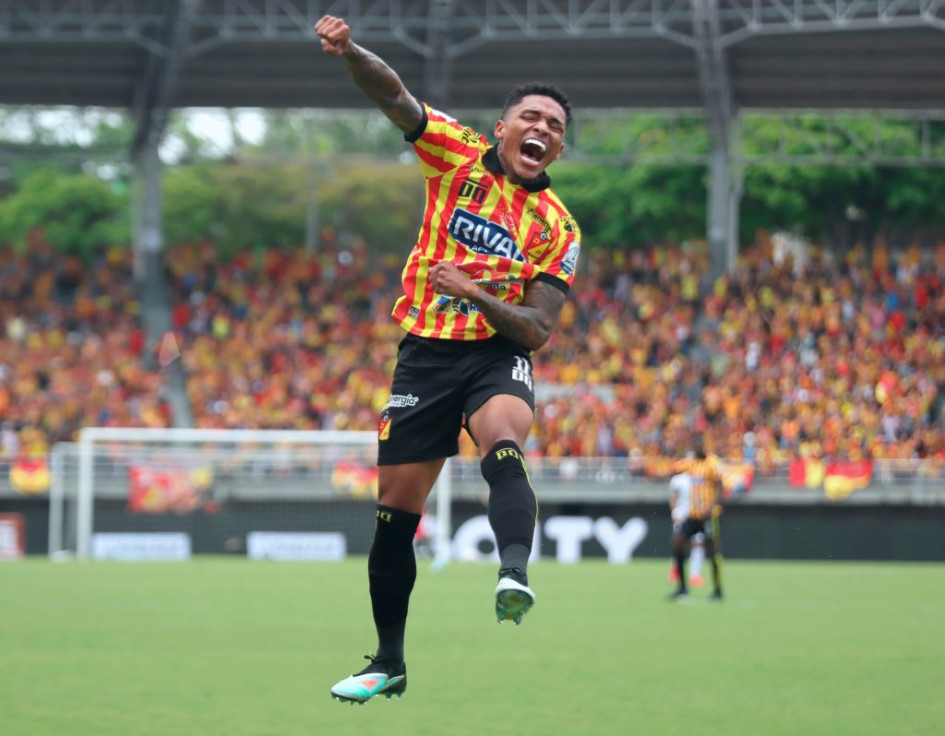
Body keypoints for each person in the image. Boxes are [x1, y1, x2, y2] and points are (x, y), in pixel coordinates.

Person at [315, 15, 581, 705]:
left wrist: (474, 293)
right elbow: (393, 94)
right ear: (501, 128)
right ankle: (389, 663)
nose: (542, 129)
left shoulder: (559, 228)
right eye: (531, 118)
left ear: (558, 146)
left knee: (503, 436)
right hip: (425, 358)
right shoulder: (455, 154)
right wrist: (349, 50)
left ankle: (513, 573)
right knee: (394, 512)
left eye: (554, 126)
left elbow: (537, 329)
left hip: (495, 352)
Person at [668, 442, 724, 601]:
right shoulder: (692, 464)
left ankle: (718, 590)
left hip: (708, 516)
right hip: (693, 515)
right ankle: (682, 587)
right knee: (677, 542)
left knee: (712, 551)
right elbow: (674, 467)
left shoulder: (711, 464)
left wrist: (712, 506)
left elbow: (719, 485)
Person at [667, 469, 705, 588]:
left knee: (698, 543)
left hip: (697, 516)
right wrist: (675, 513)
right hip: (682, 517)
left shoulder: (702, 477)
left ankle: (695, 575)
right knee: (678, 544)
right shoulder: (679, 479)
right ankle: (675, 570)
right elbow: (673, 497)